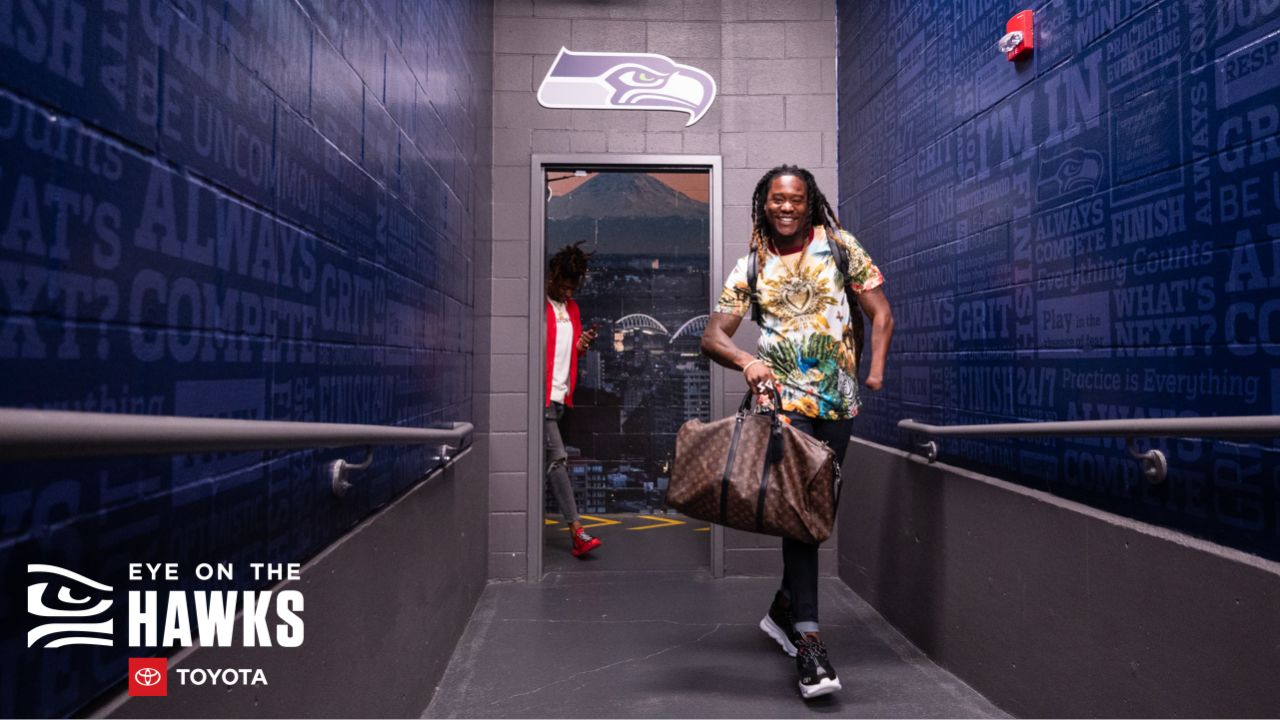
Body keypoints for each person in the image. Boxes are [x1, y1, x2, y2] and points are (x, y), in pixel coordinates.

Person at [700, 164, 894, 699]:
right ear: (765, 203)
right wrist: (746, 361)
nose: (786, 207)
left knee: (818, 511)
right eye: (777, 199)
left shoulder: (839, 246)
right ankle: (810, 643)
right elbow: (713, 334)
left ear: (809, 203)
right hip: (786, 405)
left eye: (796, 199)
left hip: (841, 404)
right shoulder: (753, 267)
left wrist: (874, 369)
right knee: (804, 515)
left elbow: (880, 313)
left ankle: (783, 609)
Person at [544, 242, 603, 557]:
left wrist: (583, 343)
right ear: (553, 276)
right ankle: (577, 532)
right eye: (564, 286)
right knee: (557, 460)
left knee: (550, 463)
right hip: (541, 396)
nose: (568, 293)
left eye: (573, 287)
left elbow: (572, 352)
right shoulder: (540, 306)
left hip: (560, 396)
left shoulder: (573, 309)